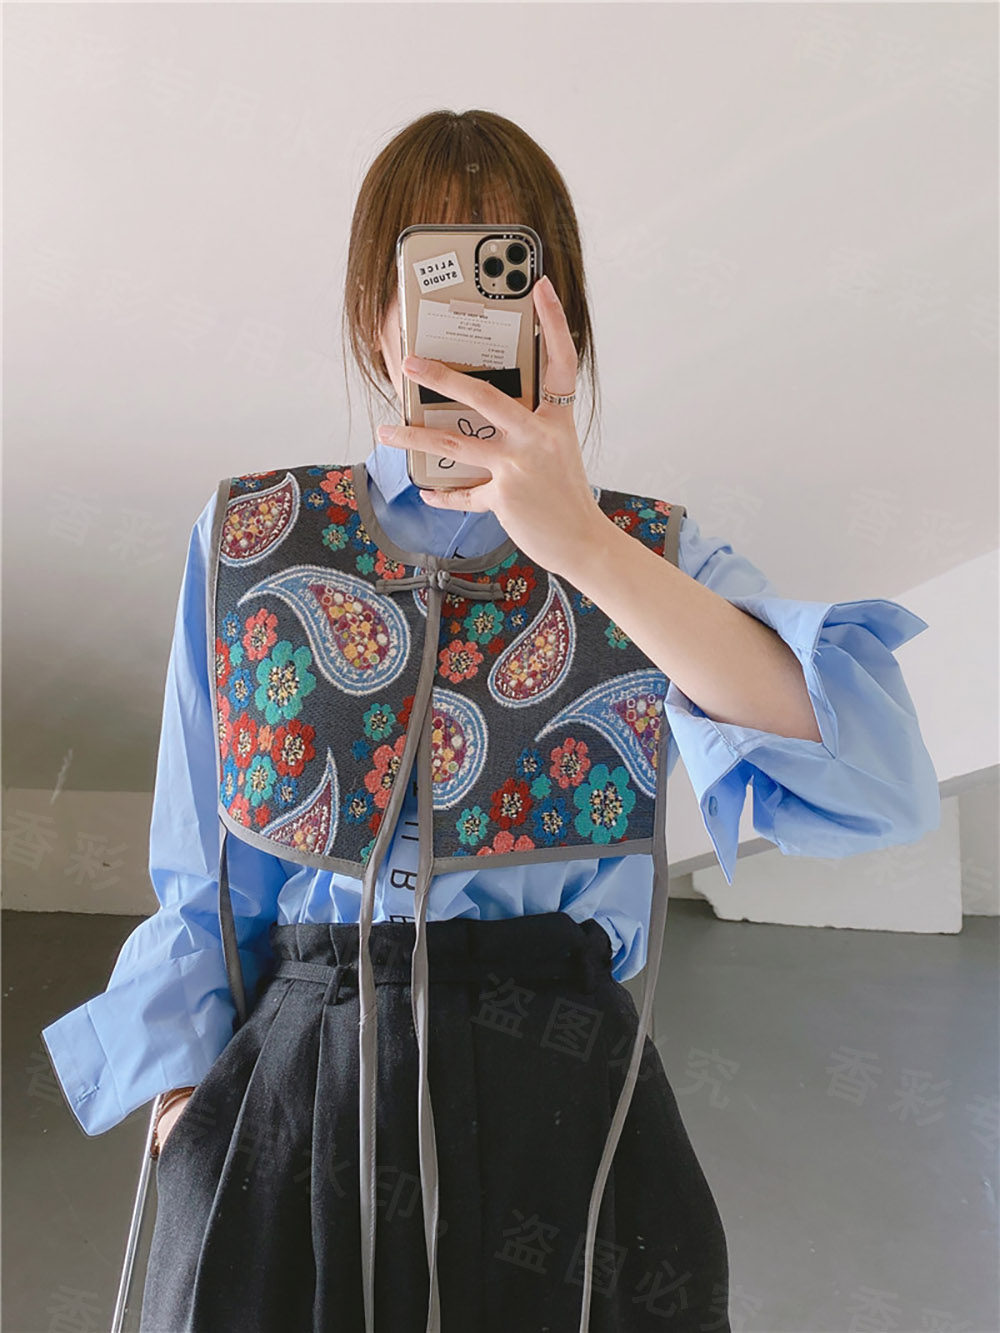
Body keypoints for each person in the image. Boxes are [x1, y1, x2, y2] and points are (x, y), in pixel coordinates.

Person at [41, 109, 941, 1333]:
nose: (469, 311)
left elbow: (874, 784)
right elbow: (202, 862)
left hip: (558, 1083)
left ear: (557, 313)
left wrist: (587, 549)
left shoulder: (651, 557)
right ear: (376, 313)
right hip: (296, 1083)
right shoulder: (254, 537)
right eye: (434, 272)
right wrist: (184, 1101)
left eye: (503, 271)